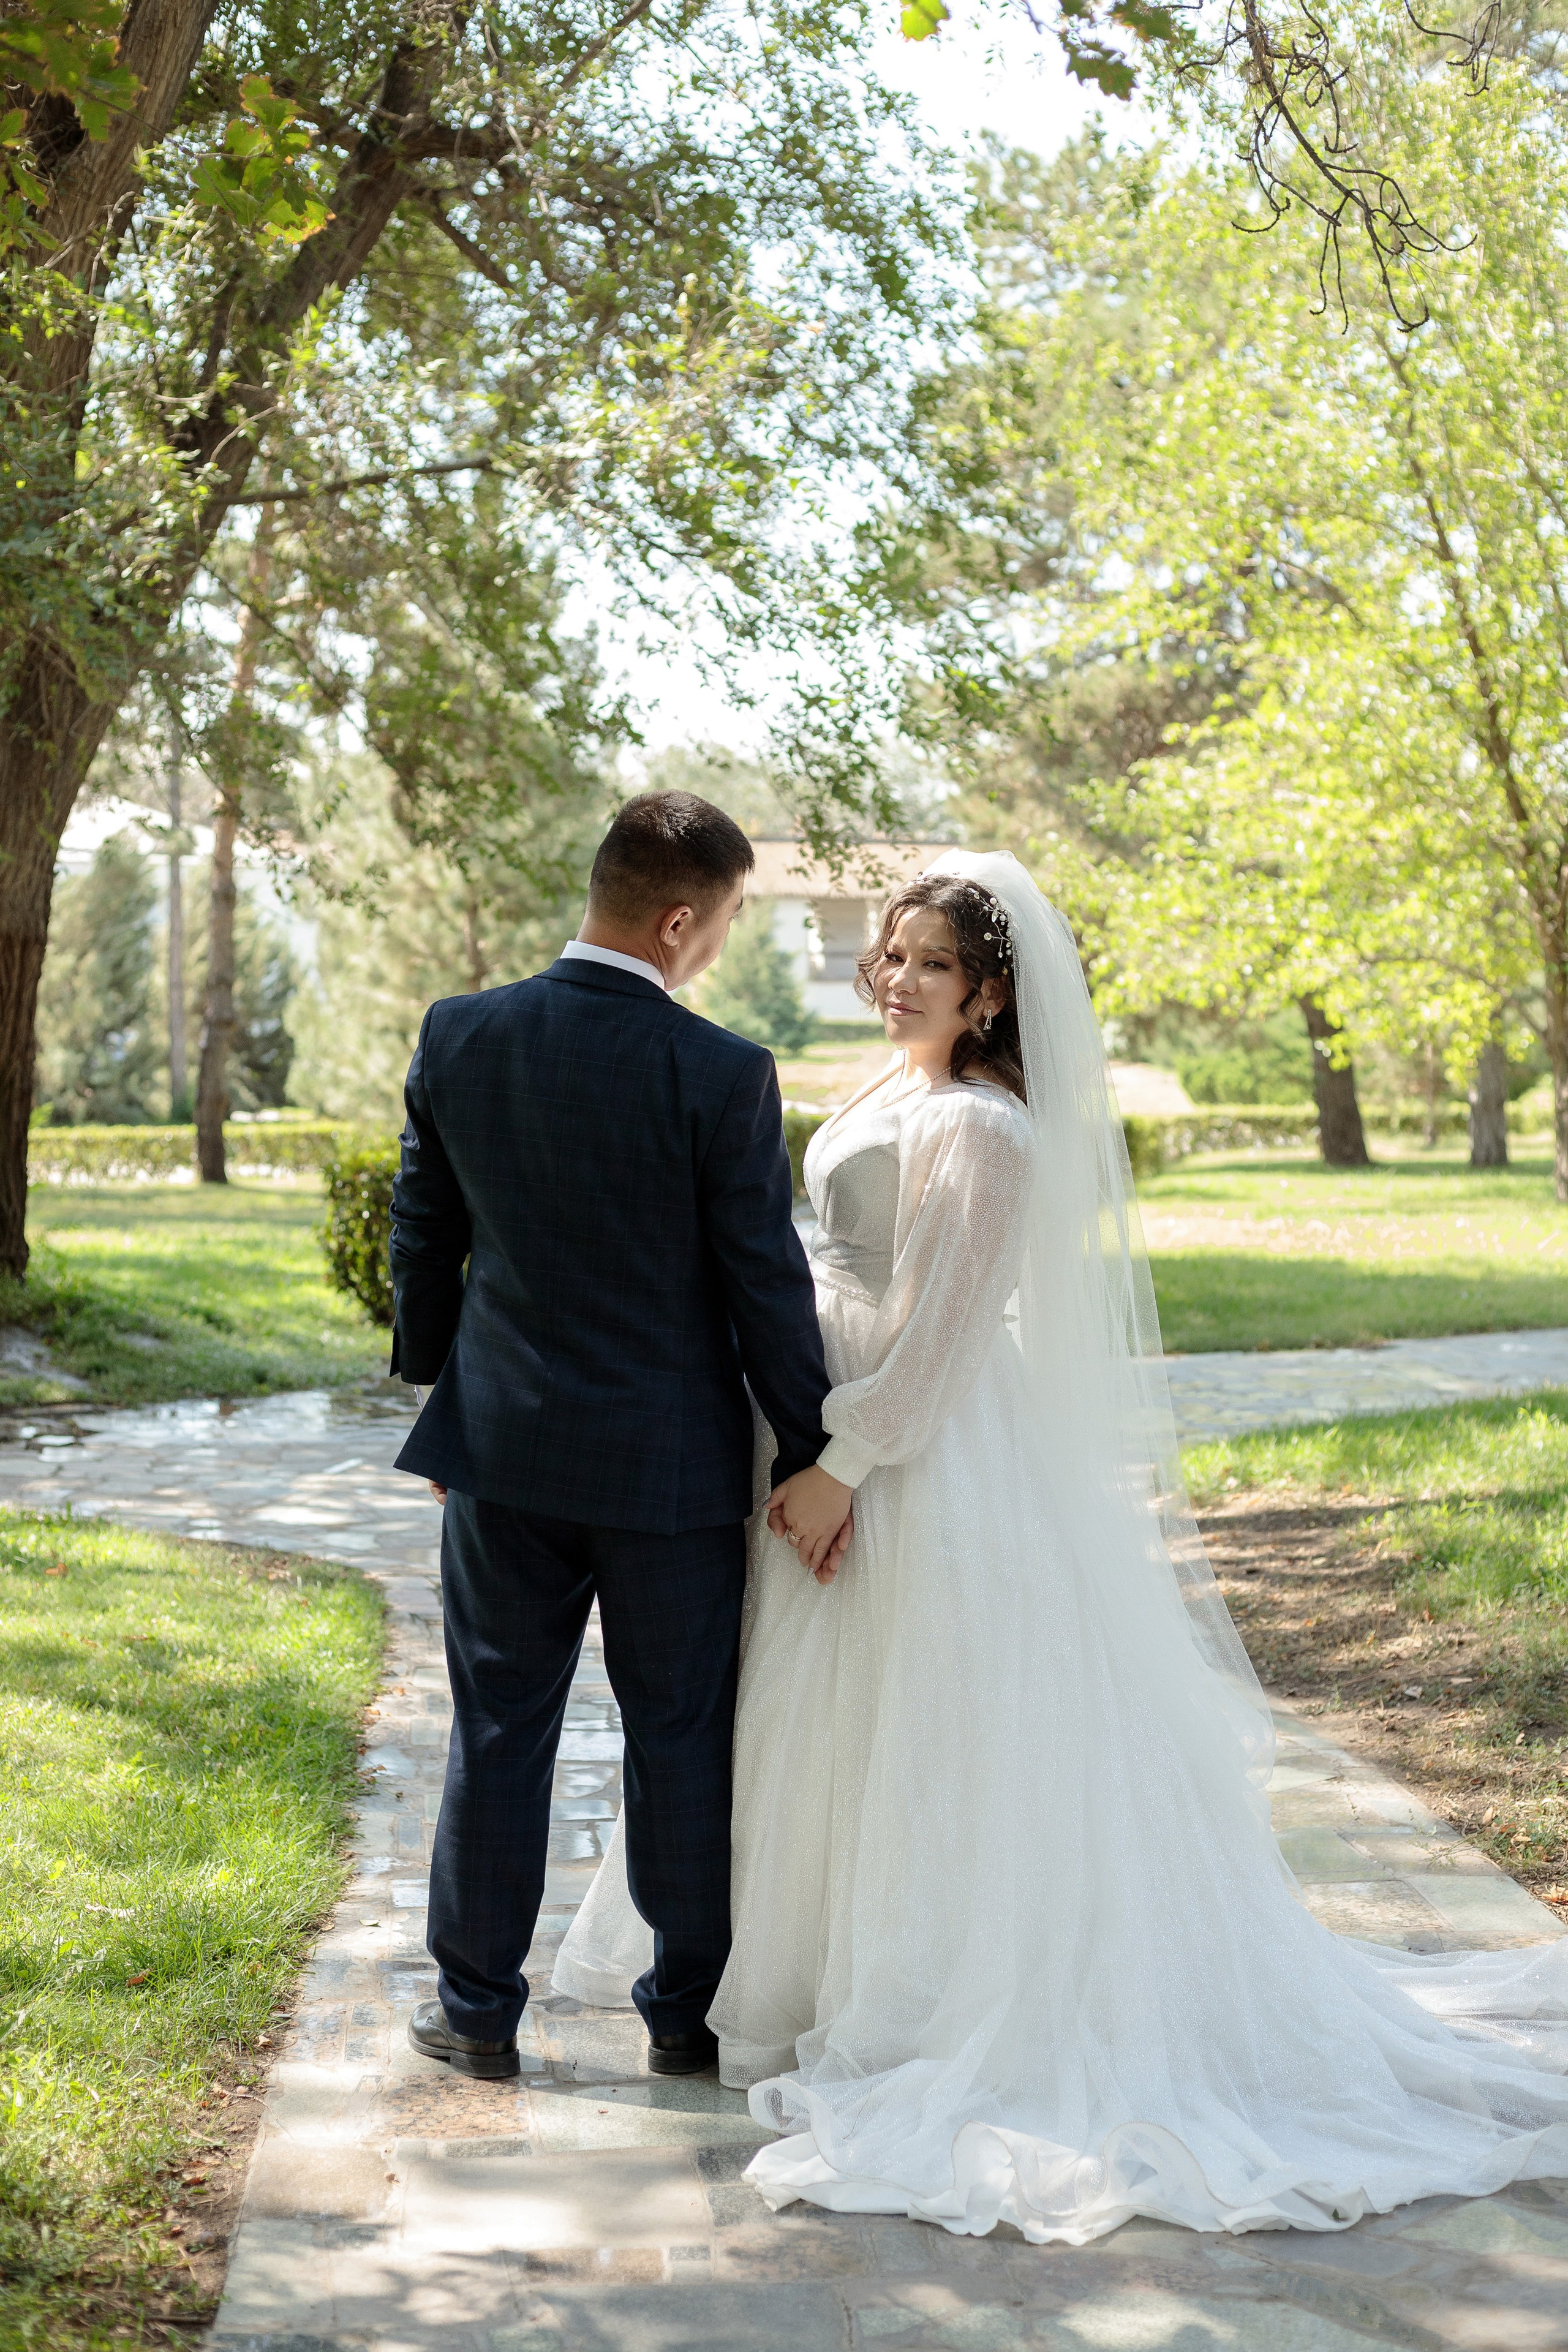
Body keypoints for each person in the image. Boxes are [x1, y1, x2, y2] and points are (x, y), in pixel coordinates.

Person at [556, 846, 1568, 2244]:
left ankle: (917, 1999)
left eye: (930, 966)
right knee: (819, 1723)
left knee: (920, 1725)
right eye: (892, 954)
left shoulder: (982, 1128)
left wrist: (843, 1464)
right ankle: (807, 1983)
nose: (897, 978)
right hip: (813, 1439)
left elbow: (951, 1335)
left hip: (911, 1462)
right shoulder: (887, 1088)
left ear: (986, 999)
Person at [388, 789, 851, 2082]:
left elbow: (423, 1236)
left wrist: (445, 1395)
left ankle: (476, 2014)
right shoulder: (719, 1072)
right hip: (671, 1471)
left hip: (503, 1456)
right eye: (726, 920)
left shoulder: (461, 1034)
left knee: (497, 1731)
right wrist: (815, 1454)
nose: (720, 944)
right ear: (676, 919)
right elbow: (762, 1283)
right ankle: (683, 2019)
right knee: (680, 1740)